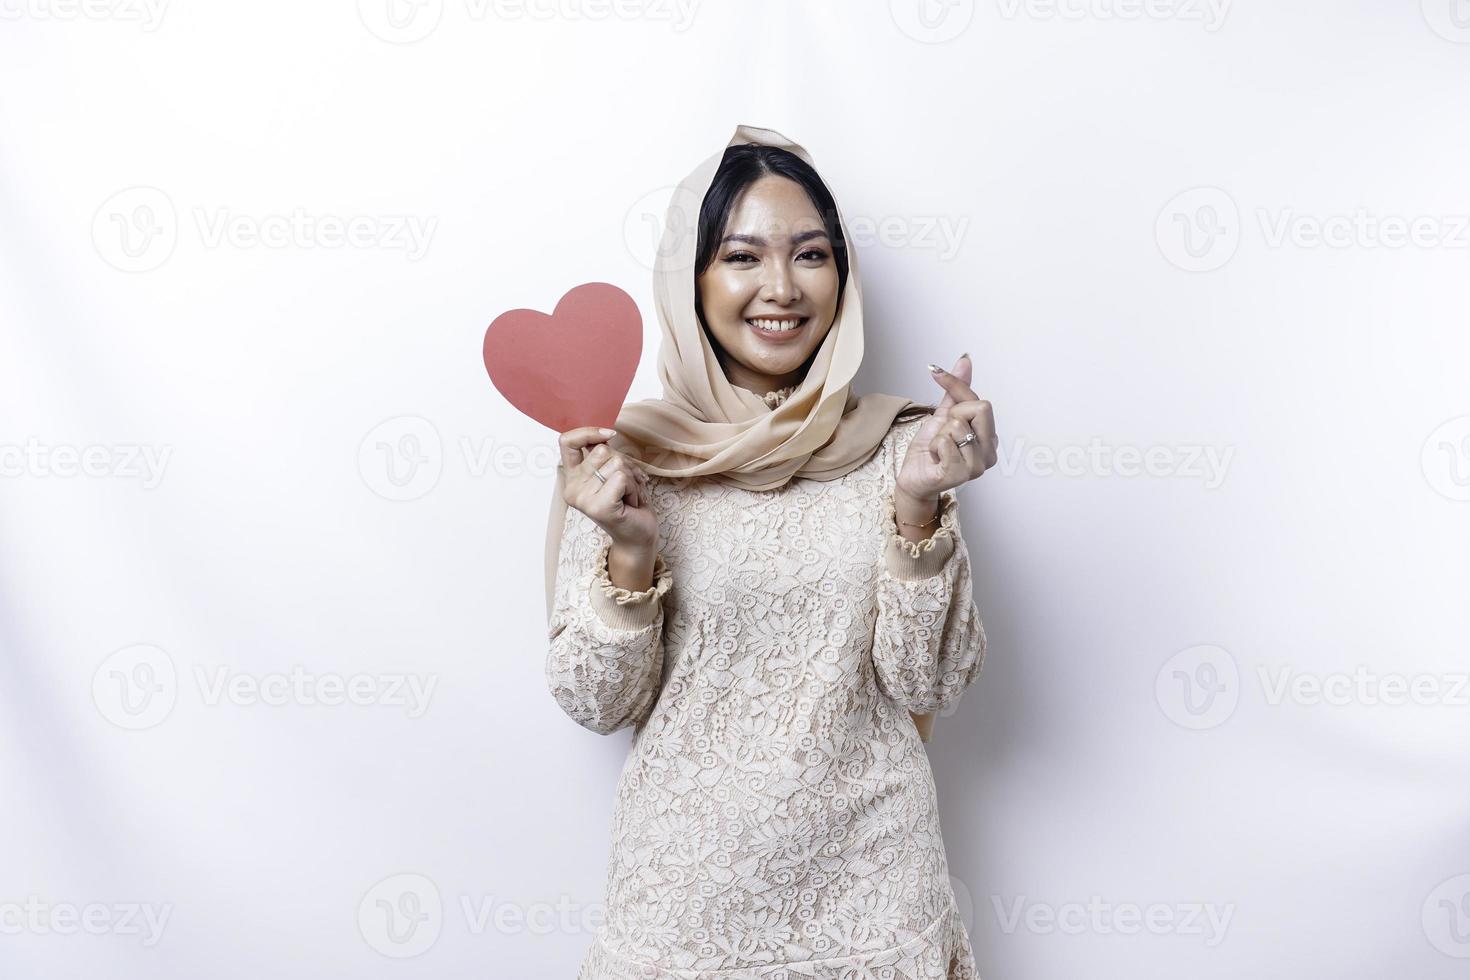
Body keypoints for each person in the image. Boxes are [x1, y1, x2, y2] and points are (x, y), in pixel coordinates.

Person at [542, 123, 996, 979]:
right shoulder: (624, 458)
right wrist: (631, 552)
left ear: (842, 276)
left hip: (874, 901)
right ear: (692, 279)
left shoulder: (905, 449)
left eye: (811, 255)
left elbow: (929, 684)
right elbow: (593, 702)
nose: (781, 288)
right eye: (742, 257)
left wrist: (917, 506)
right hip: (684, 910)